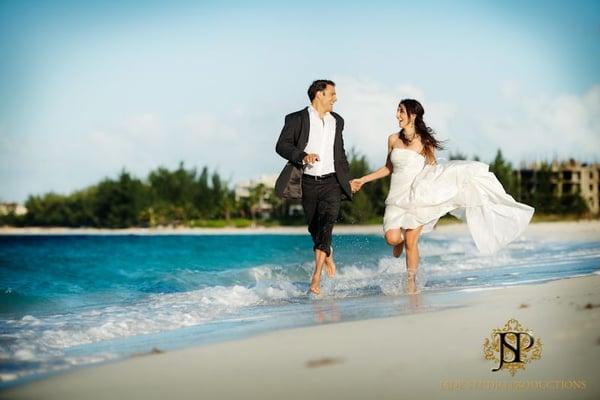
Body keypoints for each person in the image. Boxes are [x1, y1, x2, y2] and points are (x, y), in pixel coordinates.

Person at [351, 99, 534, 292]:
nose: (397, 115)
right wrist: (363, 180)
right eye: (398, 111)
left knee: (412, 242)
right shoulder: (392, 139)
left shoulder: (425, 141)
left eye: (401, 111)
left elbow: (434, 171)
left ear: (412, 115)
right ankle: (401, 240)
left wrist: (434, 207)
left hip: (417, 197)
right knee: (392, 238)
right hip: (396, 198)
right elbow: (388, 167)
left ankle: (411, 284)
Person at [275, 80, 353, 295]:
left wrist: (348, 180)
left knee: (327, 223)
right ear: (319, 94)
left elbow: (340, 154)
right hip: (308, 182)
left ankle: (316, 277)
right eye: (332, 94)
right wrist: (302, 156)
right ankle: (327, 253)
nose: (335, 98)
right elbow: (282, 145)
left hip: (332, 183)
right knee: (315, 229)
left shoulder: (337, 121)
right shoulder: (296, 119)